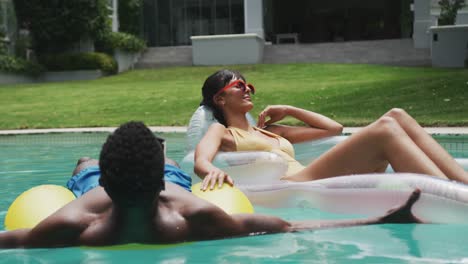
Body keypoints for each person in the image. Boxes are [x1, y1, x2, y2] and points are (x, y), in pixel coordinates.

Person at [0, 121, 425, 248]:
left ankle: (99, 165)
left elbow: (10, 239)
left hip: (104, 187)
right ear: (159, 186)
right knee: (91, 164)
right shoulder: (195, 219)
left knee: (88, 166)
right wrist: (381, 219)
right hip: (151, 182)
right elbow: (286, 226)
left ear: (111, 186)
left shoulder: (69, 227)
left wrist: (381, 218)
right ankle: (110, 163)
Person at [194, 69, 468, 190]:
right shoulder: (222, 132)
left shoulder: (272, 131)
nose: (247, 90)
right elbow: (201, 161)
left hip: (313, 177)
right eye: (239, 86)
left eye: (249, 86)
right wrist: (212, 171)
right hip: (292, 185)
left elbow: (333, 128)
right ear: (220, 98)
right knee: (386, 127)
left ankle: (463, 187)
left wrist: (290, 109)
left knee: (397, 115)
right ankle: (453, 198)